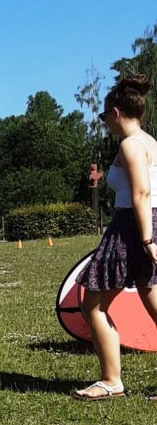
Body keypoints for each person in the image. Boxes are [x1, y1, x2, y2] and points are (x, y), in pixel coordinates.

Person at [74, 75, 157, 400]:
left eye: (103, 115)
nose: (104, 122)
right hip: (147, 223)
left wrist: (147, 240)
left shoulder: (130, 144)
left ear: (116, 113)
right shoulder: (150, 141)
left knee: (92, 304)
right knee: (152, 301)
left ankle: (111, 381)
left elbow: (141, 193)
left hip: (132, 227)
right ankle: (111, 381)